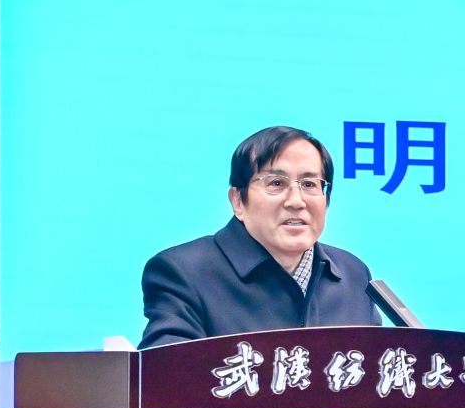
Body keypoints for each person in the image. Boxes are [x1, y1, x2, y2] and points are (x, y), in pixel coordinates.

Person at [140, 126, 379, 348]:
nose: (296, 201)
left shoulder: (353, 273)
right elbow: (165, 372)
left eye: (309, 184)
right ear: (237, 200)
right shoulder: (184, 272)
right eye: (276, 183)